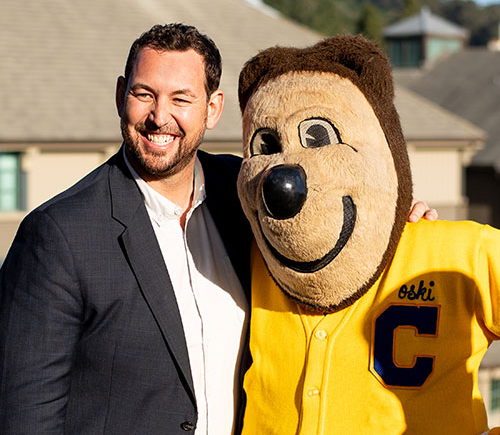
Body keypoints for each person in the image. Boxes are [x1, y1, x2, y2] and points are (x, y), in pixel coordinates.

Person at [0, 23, 435, 435]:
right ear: (120, 96)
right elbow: (24, 415)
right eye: (143, 94)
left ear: (212, 109)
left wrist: (400, 218)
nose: (159, 116)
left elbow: (337, 227)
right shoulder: (58, 236)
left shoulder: (249, 196)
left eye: (180, 99)